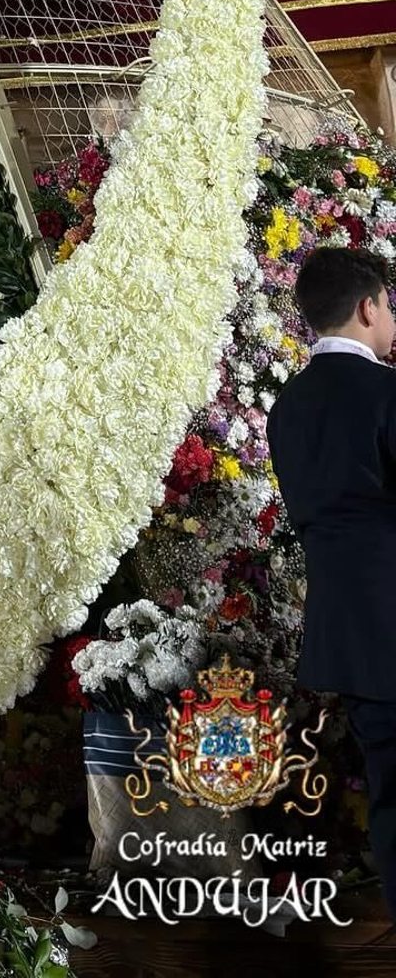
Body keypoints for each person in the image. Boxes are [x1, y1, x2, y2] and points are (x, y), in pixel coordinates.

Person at [267, 245, 396, 915]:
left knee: (391, 800)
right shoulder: (385, 392)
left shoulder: (287, 405)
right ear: (369, 305)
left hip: (346, 633)